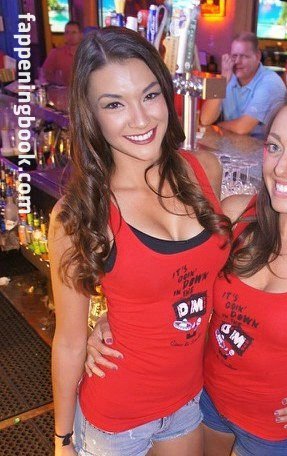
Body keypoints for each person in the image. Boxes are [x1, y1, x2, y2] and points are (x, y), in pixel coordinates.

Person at [86, 67, 287, 456]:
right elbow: (174, 283)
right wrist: (114, 322)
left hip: (272, 430)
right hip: (203, 404)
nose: (281, 167)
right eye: (274, 146)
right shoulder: (236, 216)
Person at [49, 26, 231, 456]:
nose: (141, 119)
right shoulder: (79, 215)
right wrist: (62, 440)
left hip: (187, 401)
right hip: (115, 420)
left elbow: (199, 279)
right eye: (114, 104)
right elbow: (70, 341)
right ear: (91, 115)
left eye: (149, 96)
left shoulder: (204, 170)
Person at [199, 32, 286, 138]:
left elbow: (242, 128)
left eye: (244, 56)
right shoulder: (227, 76)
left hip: (261, 146)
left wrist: (218, 125)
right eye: (234, 56)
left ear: (258, 56)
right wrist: (222, 80)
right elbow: (205, 119)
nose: (237, 61)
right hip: (232, 143)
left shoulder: (271, 82)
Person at [42, 21, 83, 86]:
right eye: (67, 32)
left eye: (74, 32)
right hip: (61, 90)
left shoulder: (88, 53)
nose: (70, 35)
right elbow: (44, 74)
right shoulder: (55, 53)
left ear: (81, 35)